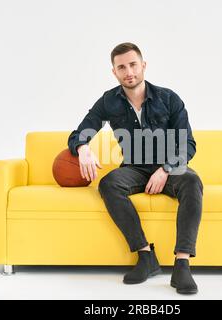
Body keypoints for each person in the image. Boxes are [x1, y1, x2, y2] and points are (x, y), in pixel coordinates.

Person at [67, 42, 203, 294]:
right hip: (134, 167)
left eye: (132, 64)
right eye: (121, 67)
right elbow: (80, 133)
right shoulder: (109, 101)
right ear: (114, 72)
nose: (128, 71)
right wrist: (83, 148)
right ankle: (145, 256)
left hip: (169, 167)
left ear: (143, 65)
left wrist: (165, 169)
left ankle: (182, 263)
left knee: (192, 181)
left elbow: (188, 144)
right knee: (109, 184)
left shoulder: (169, 98)